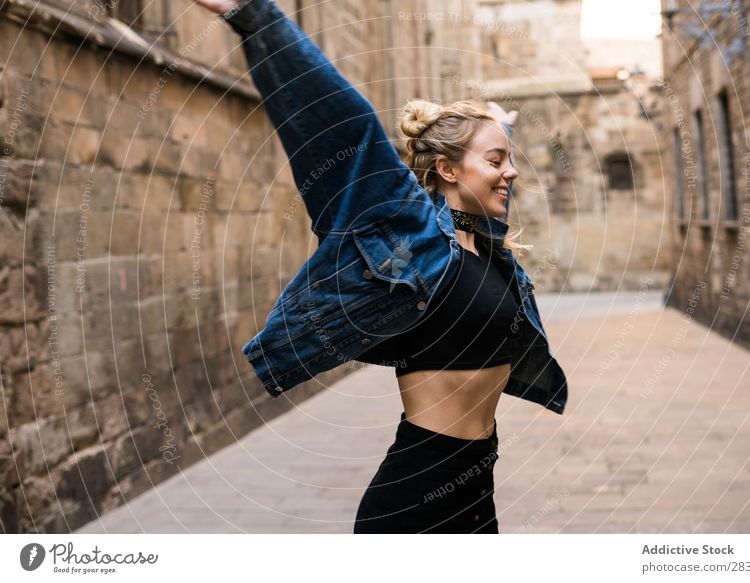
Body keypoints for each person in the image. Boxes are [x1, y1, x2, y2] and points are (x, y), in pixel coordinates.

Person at [193, 0, 568, 534]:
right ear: (445, 167)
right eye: (495, 161)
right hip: (416, 494)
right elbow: (343, 123)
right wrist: (252, 15)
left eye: (509, 160)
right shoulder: (406, 228)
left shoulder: (489, 252)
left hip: (477, 488)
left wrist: (493, 129)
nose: (510, 173)